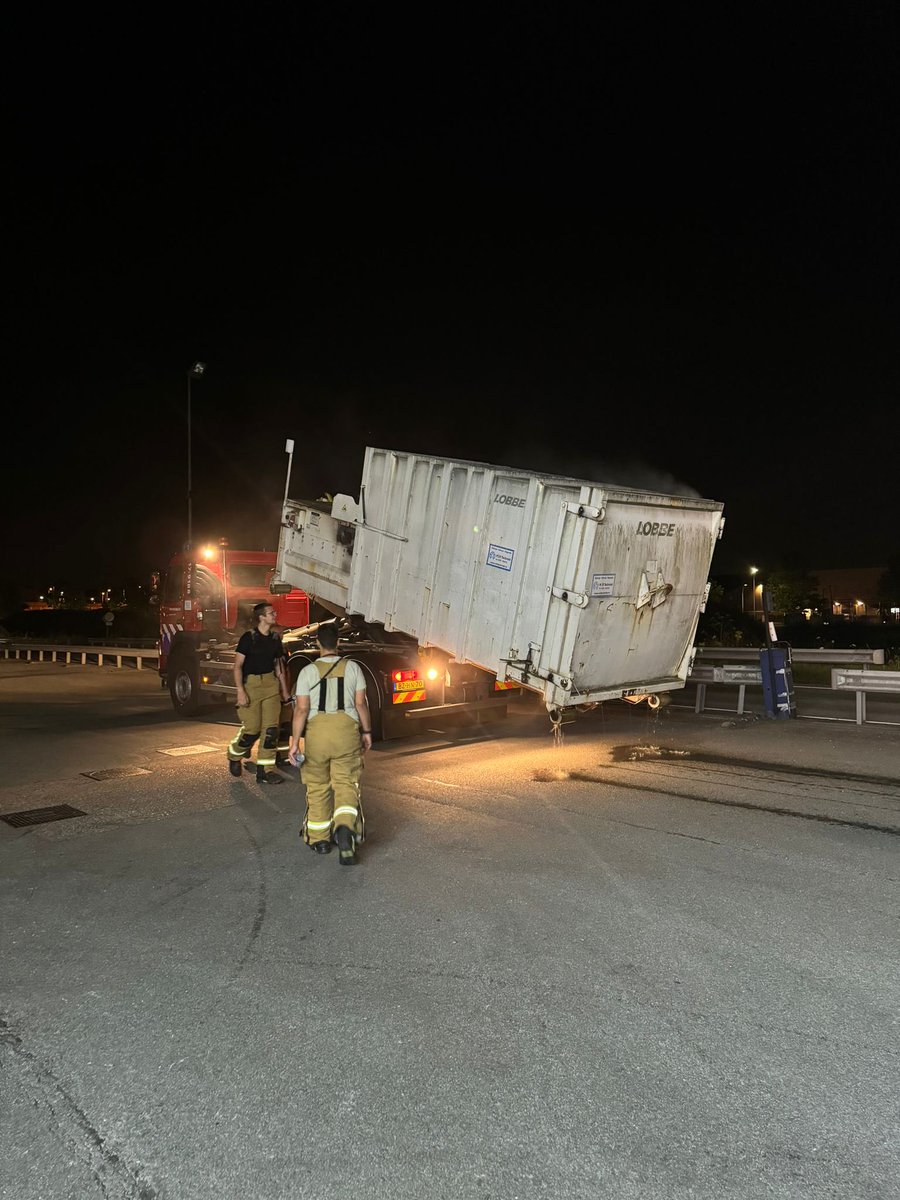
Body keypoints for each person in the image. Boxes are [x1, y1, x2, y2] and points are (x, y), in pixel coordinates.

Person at [288, 622, 372, 864]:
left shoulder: (307, 672)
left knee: (317, 786)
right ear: (338, 642)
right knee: (346, 783)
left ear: (317, 643)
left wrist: (295, 742)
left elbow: (301, 710)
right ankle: (345, 828)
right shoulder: (353, 668)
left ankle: (320, 840)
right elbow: (361, 704)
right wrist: (366, 732)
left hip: (317, 735)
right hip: (346, 733)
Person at [227, 601, 292, 784]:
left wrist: (285, 692)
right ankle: (234, 754)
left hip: (270, 685)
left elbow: (279, 667)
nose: (275, 615)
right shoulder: (248, 638)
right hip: (252, 686)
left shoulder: (275, 639)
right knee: (252, 729)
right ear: (261, 617)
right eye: (271, 613)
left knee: (271, 730)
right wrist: (240, 691)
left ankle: (266, 771)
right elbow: (238, 666)